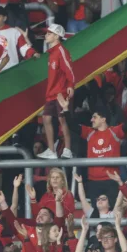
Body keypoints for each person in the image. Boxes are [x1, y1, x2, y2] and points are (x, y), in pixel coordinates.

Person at [38, 24, 75, 160]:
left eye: (49, 33)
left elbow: (69, 69)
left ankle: (68, 149)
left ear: (56, 36)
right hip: (51, 92)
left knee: (62, 119)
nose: (46, 36)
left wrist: (71, 85)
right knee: (46, 118)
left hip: (61, 92)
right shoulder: (52, 53)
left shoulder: (61, 51)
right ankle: (51, 150)